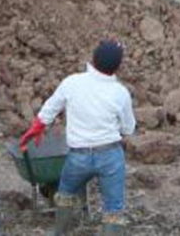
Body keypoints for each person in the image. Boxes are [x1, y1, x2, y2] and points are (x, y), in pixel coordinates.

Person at [19, 40, 135, 235]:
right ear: (117, 66)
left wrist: (36, 128)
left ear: (94, 59)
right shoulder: (120, 93)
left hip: (78, 156)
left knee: (65, 193)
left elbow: (50, 109)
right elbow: (128, 128)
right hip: (110, 156)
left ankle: (59, 232)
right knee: (113, 207)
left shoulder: (72, 82)